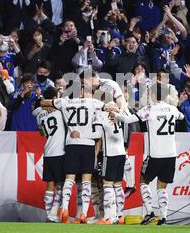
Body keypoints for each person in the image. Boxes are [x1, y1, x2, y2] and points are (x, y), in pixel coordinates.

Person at [110, 83, 185, 225]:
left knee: (143, 181)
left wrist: (116, 115)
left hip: (156, 154)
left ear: (151, 94)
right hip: (171, 155)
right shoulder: (173, 109)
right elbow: (181, 117)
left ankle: (150, 212)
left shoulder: (149, 109)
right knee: (161, 187)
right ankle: (163, 217)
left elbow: (127, 120)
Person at [40, 83, 106, 224]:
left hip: (71, 145)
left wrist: (47, 106)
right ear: (82, 91)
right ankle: (83, 214)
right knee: (86, 181)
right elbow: (106, 107)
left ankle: (64, 210)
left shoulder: (64, 102)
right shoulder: (92, 102)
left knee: (69, 180)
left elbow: (43, 102)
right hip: (87, 144)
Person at [33, 87, 67, 223]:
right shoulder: (59, 111)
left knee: (50, 185)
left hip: (48, 152)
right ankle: (52, 214)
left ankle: (48, 214)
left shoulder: (39, 114)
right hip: (60, 151)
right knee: (61, 185)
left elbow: (41, 133)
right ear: (54, 97)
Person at [93, 107, 127, 225]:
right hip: (122, 153)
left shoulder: (103, 119)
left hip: (110, 154)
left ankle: (108, 217)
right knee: (118, 185)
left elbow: (97, 136)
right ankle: (120, 215)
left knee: (107, 184)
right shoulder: (122, 118)